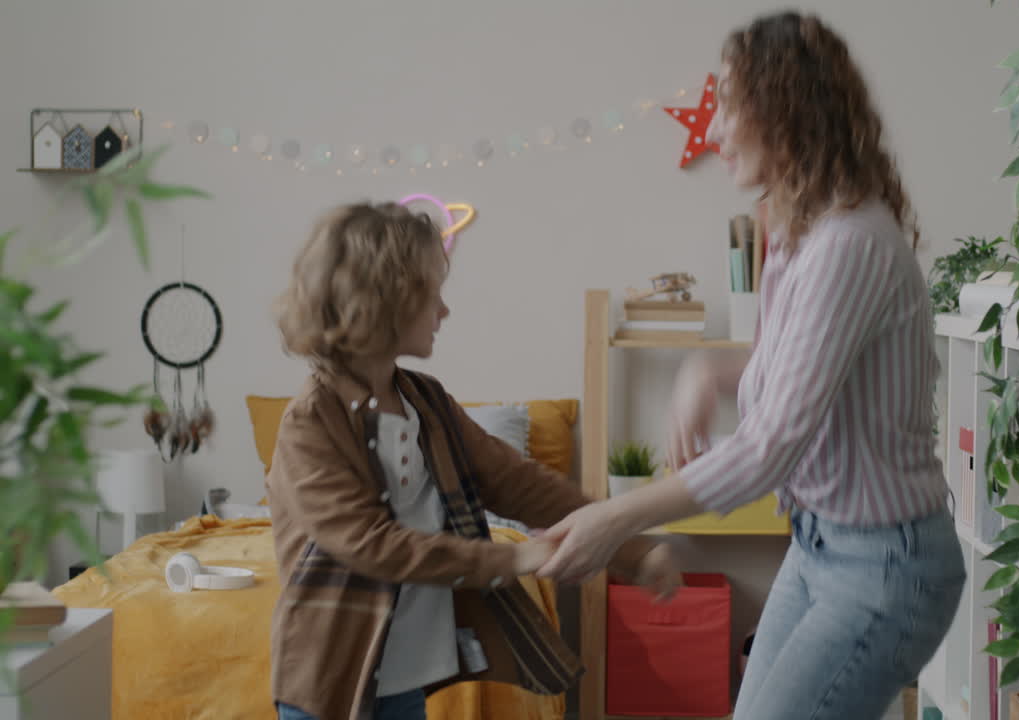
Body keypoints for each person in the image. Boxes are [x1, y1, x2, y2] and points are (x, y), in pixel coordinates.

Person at [537, 12, 965, 719]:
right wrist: (705, 373)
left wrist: (615, 519)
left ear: (786, 111)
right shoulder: (800, 235)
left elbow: (768, 449)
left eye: (730, 107)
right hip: (822, 547)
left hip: (885, 567)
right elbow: (796, 368)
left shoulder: (848, 245)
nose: (713, 131)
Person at [266, 201, 680, 720]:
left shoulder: (426, 401)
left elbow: (519, 484)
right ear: (384, 302)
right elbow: (371, 545)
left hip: (403, 674)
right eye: (431, 296)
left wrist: (632, 548)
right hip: (332, 678)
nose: (444, 312)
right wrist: (513, 560)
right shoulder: (311, 422)